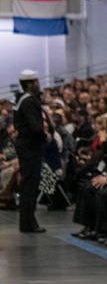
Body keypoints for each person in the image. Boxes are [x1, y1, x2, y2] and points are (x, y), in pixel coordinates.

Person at [12, 69, 47, 233]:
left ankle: (27, 222)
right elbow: (35, 127)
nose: (38, 84)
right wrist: (45, 136)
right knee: (30, 186)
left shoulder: (21, 100)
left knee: (28, 185)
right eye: (36, 81)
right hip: (31, 147)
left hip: (25, 145)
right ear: (30, 83)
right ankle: (28, 223)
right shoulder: (29, 101)